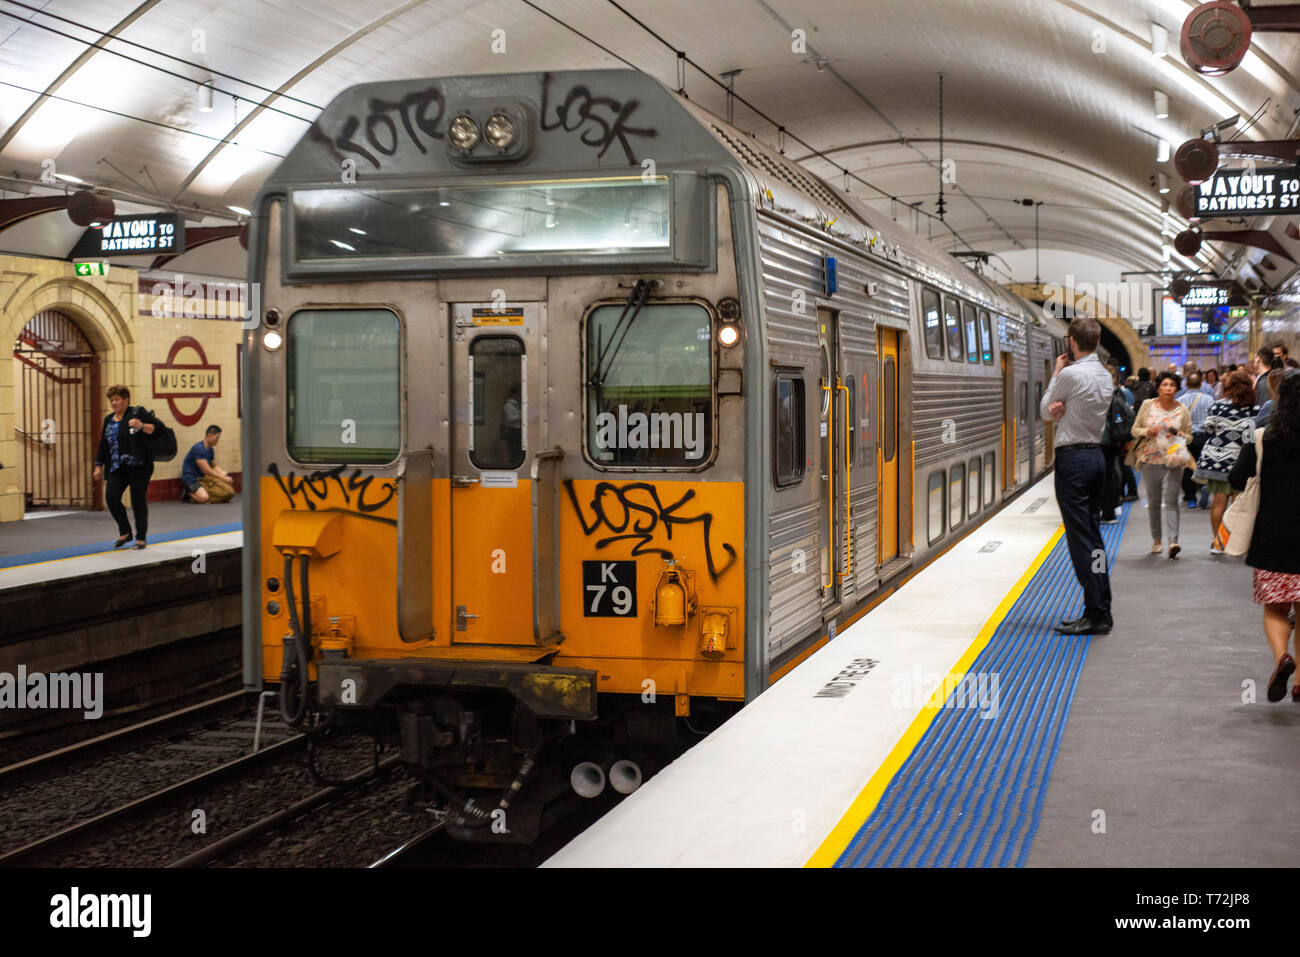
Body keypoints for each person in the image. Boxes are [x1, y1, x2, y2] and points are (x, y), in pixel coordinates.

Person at [1228, 370, 1300, 702]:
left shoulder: (1263, 437)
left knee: (1276, 608)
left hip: (1272, 539)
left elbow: (1237, 477)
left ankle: (1281, 658)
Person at [1041, 317, 1114, 635]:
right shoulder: (1105, 375)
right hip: (1096, 457)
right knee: (1094, 538)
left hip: (1073, 461)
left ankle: (1096, 613)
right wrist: (1062, 407)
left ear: (1071, 342)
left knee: (1080, 539)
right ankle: (1101, 607)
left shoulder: (1069, 374)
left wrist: (1056, 373)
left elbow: (1045, 410)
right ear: (1096, 342)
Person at [1194, 369, 1259, 555]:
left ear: (1228, 386)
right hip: (1242, 463)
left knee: (1218, 504)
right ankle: (1238, 542)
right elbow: (1253, 437)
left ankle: (1218, 543)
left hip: (1217, 461)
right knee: (1238, 506)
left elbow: (1209, 428)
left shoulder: (1218, 406)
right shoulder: (1256, 408)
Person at [1128, 372, 1193, 558]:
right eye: (1164, 384)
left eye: (1172, 385)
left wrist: (1181, 435)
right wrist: (1148, 430)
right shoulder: (1148, 406)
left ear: (1177, 388)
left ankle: (1173, 541)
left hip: (1174, 459)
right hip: (1151, 459)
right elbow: (1134, 430)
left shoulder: (1182, 410)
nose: (1168, 388)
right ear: (1158, 388)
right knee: (1154, 502)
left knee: (1172, 500)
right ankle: (1156, 541)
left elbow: (1189, 436)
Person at [92, 385, 162, 549]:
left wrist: (140, 425)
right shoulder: (109, 419)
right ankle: (125, 531)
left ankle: (141, 538)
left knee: (138, 501)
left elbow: (156, 429)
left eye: (117, 400)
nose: (114, 403)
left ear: (126, 400)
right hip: (117, 467)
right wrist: (98, 466)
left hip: (138, 466)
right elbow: (103, 444)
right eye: (111, 400)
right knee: (111, 497)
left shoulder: (137, 413)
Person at [1098, 364, 1132, 524]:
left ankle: (1106, 511)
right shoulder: (1117, 394)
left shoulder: (1099, 394)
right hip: (1112, 440)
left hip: (1101, 441)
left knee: (1104, 477)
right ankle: (1110, 509)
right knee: (1111, 475)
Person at [1176, 372, 1213, 508]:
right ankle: (1204, 488)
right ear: (1201, 384)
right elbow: (1213, 419)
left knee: (1188, 468)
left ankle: (1190, 498)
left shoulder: (1180, 400)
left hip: (1186, 438)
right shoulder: (1209, 399)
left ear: (1186, 384)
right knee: (1203, 465)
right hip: (1204, 437)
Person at [181, 425, 235, 503]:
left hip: (203, 478)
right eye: (216, 438)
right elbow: (206, 470)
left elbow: (214, 466)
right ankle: (188, 494)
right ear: (209, 435)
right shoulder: (199, 448)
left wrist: (223, 474)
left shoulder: (210, 449)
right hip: (191, 478)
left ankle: (203, 493)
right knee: (204, 498)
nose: (217, 441)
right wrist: (222, 478)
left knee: (225, 492)